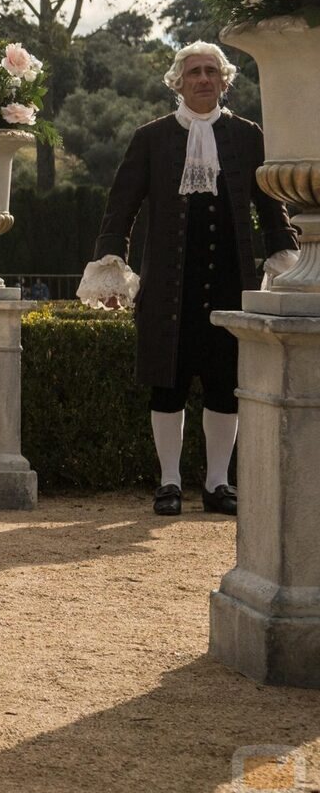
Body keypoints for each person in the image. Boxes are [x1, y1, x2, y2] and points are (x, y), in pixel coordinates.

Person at [77, 42, 296, 517]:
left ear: (224, 81)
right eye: (194, 72)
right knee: (168, 385)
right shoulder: (151, 137)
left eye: (211, 72)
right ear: (178, 81)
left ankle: (218, 484)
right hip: (167, 281)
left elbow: (269, 205)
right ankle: (169, 483)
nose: (203, 79)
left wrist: (284, 257)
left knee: (223, 384)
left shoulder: (245, 134)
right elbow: (121, 208)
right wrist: (111, 269)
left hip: (230, 280)